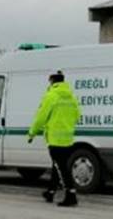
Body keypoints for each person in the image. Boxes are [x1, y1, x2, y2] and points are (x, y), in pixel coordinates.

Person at [27, 71, 81, 207]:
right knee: (57, 166)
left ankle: (71, 195)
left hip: (55, 139)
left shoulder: (51, 96)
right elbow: (77, 115)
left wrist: (32, 132)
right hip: (68, 139)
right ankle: (50, 192)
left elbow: (41, 116)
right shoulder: (71, 97)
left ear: (53, 81)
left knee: (61, 168)